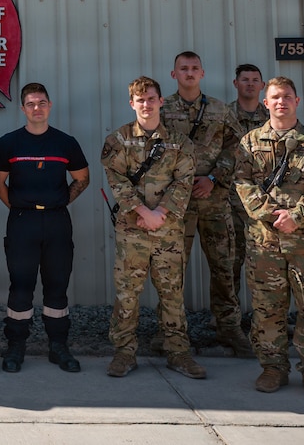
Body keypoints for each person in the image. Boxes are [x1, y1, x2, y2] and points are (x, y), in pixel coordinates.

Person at [233, 76, 304, 400]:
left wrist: (297, 216)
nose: (281, 102)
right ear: (266, 103)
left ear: (297, 101)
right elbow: (242, 184)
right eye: (275, 97)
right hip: (265, 243)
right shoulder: (249, 143)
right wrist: (272, 215)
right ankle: (272, 368)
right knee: (267, 310)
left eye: (287, 96)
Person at [100, 76, 206, 380]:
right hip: (132, 231)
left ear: (161, 101)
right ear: (131, 104)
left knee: (172, 293)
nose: (146, 104)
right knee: (127, 294)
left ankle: (178, 352)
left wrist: (161, 212)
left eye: (151, 98)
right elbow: (116, 179)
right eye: (140, 99)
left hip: (167, 229)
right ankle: (124, 353)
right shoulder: (117, 141)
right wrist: (141, 211)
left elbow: (184, 181)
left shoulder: (179, 142)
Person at [0, 82, 90, 373]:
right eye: (32, 104)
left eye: (42, 103)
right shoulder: (9, 143)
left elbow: (82, 178)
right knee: (20, 287)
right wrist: (19, 207)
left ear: (50, 105)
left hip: (57, 221)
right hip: (22, 222)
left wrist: (59, 203)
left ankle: (58, 346)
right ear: (23, 108)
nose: (37, 108)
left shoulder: (65, 143)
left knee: (57, 287)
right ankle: (16, 346)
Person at [161, 51, 247, 354]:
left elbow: (238, 146)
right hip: (176, 203)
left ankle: (228, 329)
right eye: (183, 68)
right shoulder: (162, 109)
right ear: (174, 75)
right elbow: (153, 151)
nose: (189, 73)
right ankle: (171, 333)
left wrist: (213, 178)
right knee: (171, 270)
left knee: (224, 267)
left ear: (202, 73)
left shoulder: (220, 110)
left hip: (214, 198)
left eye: (194, 68)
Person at [228, 64, 269, 305]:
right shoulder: (223, 116)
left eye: (255, 79)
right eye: (245, 79)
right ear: (236, 83)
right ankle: (227, 321)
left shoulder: (272, 118)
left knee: (265, 263)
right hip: (229, 201)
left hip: (264, 203)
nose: (250, 84)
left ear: (262, 86)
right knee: (229, 262)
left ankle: (265, 319)